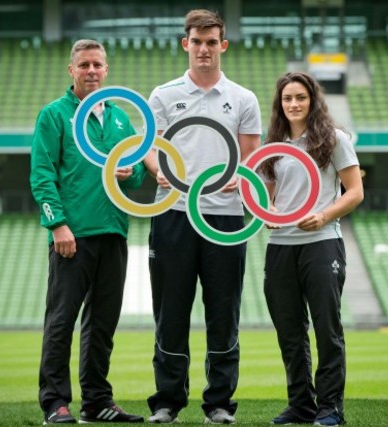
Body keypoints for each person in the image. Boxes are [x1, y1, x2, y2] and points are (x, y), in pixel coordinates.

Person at [141, 9, 262, 425]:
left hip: (226, 217)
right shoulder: (163, 94)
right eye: (197, 41)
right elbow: (150, 150)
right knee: (170, 310)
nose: (205, 49)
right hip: (173, 213)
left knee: (223, 311)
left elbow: (251, 156)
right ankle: (167, 401)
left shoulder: (243, 98)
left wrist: (241, 177)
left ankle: (219, 403)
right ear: (185, 44)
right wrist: (161, 172)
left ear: (223, 45)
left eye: (212, 42)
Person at [30, 39, 146, 425]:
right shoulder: (54, 115)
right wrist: (57, 224)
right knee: (62, 320)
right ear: (72, 70)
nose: (92, 71)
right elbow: (42, 175)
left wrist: (132, 174)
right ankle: (55, 402)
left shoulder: (120, 119)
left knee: (103, 324)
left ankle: (97, 401)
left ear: (107, 70)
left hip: (113, 232)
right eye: (84, 65)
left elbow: (138, 177)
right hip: (72, 236)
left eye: (98, 64)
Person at [258, 72, 363, 427]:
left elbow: (354, 192)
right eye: (287, 98)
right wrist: (268, 214)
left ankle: (330, 407)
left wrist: (323, 216)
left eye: (300, 97)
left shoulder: (333, 139)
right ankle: (301, 404)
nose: (294, 104)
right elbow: (268, 194)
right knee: (289, 331)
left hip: (322, 243)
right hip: (280, 246)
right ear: (280, 103)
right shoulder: (273, 143)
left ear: (312, 100)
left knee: (326, 328)